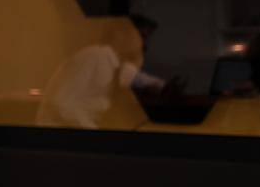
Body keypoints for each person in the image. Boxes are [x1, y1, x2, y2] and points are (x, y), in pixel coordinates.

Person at [36, 16, 169, 129]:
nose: (145, 44)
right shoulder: (95, 57)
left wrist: (165, 87)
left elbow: (141, 79)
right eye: (142, 36)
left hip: (81, 132)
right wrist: (96, 133)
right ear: (121, 34)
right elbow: (61, 103)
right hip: (60, 136)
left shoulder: (118, 64)